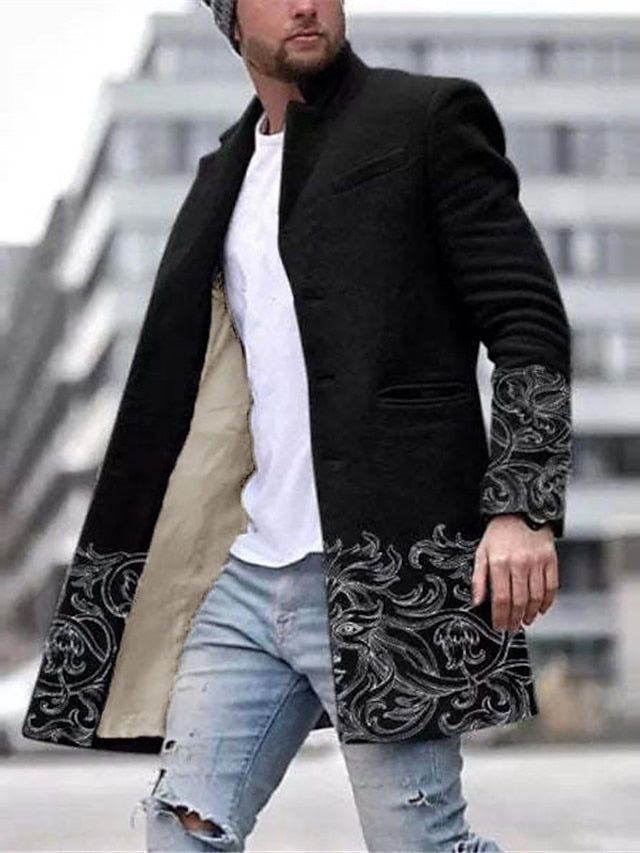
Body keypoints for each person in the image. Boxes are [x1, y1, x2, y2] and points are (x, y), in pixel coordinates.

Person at [22, 0, 572, 849]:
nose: (306, 3)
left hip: (390, 567)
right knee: (182, 828)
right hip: (250, 574)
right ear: (229, 20)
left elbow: (526, 317)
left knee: (419, 843)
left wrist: (522, 505)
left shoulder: (425, 118)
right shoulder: (223, 172)